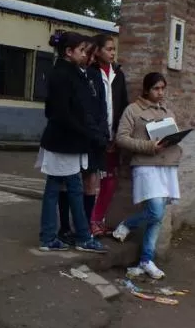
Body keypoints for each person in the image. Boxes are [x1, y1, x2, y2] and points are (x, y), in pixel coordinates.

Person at [37, 31, 109, 254]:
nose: (86, 55)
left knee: (58, 189)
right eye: (82, 51)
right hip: (64, 143)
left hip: (68, 142)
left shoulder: (74, 73)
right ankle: (80, 237)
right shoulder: (63, 75)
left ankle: (52, 236)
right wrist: (90, 134)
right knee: (71, 189)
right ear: (69, 52)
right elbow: (60, 113)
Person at [112, 72, 182, 280]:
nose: (160, 93)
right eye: (156, 89)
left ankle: (146, 260)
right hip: (145, 165)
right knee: (155, 211)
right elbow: (121, 138)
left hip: (166, 165)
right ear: (146, 89)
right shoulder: (133, 110)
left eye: (163, 88)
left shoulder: (167, 111)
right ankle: (127, 223)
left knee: (157, 218)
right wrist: (149, 146)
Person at [57, 40, 109, 239]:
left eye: (94, 56)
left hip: (95, 138)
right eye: (88, 54)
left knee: (91, 182)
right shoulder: (70, 75)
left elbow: (101, 107)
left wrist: (102, 133)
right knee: (66, 181)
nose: (90, 59)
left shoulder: (96, 76)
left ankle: (86, 226)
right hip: (77, 135)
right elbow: (76, 110)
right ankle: (64, 226)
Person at [88, 33, 129, 237]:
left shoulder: (118, 74)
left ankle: (98, 219)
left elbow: (122, 104)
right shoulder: (90, 73)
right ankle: (88, 221)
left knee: (110, 180)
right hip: (94, 137)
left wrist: (117, 135)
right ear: (97, 51)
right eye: (109, 49)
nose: (113, 53)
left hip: (112, 137)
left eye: (114, 49)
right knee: (91, 181)